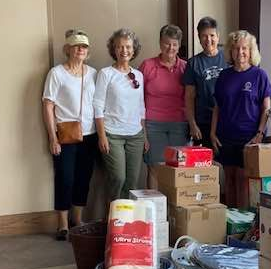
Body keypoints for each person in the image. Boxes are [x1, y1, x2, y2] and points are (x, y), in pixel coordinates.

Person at [42, 29, 98, 240]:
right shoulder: (57, 73)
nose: (80, 50)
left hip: (90, 134)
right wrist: (52, 137)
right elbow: (48, 105)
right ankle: (63, 223)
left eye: (84, 46)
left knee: (84, 177)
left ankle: (78, 219)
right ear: (67, 49)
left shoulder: (93, 73)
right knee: (65, 177)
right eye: (76, 46)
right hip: (65, 135)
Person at [211, 30, 271, 207]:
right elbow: (217, 107)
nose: (241, 52)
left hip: (250, 138)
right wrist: (213, 133)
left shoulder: (260, 75)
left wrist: (260, 133)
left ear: (251, 51)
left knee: (244, 181)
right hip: (226, 137)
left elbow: (266, 108)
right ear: (231, 51)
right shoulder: (224, 76)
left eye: (245, 48)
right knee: (229, 180)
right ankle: (231, 221)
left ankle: (243, 223)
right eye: (236, 48)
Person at [94, 28, 147, 201]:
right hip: (112, 134)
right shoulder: (106, 74)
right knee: (118, 178)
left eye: (128, 47)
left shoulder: (138, 74)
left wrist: (144, 135)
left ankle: (127, 221)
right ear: (114, 49)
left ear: (134, 50)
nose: (124, 50)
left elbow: (141, 107)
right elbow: (98, 105)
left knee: (132, 182)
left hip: (135, 135)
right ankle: (112, 219)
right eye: (120, 47)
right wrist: (102, 136)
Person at [139, 24, 188, 188]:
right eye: (167, 43)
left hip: (179, 124)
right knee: (155, 167)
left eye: (174, 44)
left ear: (179, 45)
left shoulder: (185, 67)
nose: (170, 48)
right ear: (160, 43)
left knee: (178, 169)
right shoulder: (147, 66)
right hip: (153, 124)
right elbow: (136, 99)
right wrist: (143, 130)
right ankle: (154, 211)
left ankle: (173, 211)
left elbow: (191, 98)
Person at [183, 16, 227, 149]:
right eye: (204, 36)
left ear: (218, 36)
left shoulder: (229, 59)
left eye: (212, 35)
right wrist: (192, 124)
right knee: (205, 166)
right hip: (203, 123)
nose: (208, 40)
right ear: (199, 37)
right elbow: (189, 97)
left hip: (226, 120)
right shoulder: (193, 63)